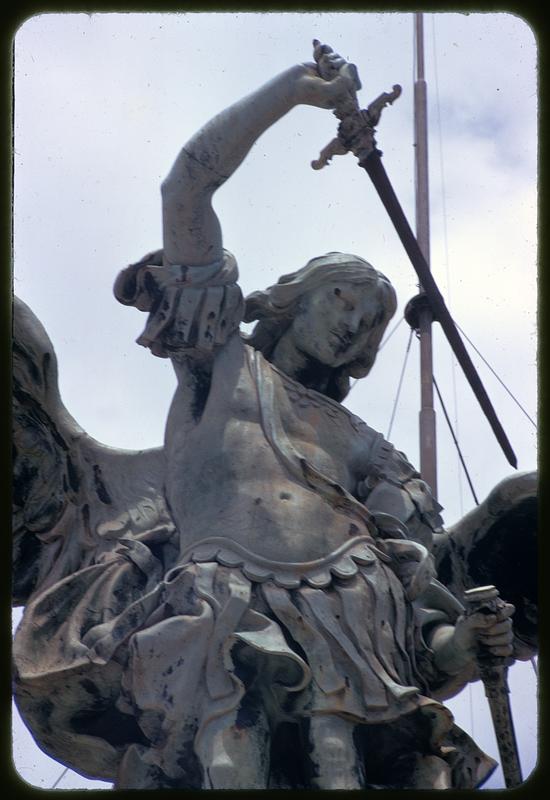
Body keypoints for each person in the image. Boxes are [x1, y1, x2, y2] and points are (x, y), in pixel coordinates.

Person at [13, 45, 514, 790]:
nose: (359, 324)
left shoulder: (374, 453)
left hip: (360, 624)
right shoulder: (217, 362)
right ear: (294, 296)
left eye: (375, 320)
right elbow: (186, 185)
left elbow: (425, 630)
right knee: (227, 756)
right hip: (224, 608)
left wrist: (472, 641)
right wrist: (291, 94)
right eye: (345, 298)